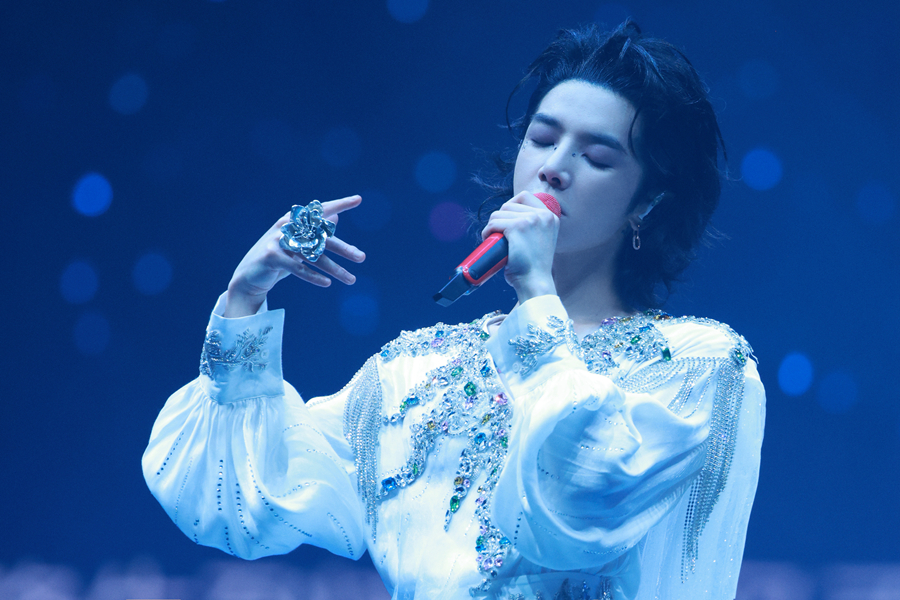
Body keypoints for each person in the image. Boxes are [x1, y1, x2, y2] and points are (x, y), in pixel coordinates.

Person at [143, 20, 765, 600]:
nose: (553, 168)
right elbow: (245, 501)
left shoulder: (696, 364)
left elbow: (578, 502)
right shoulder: (415, 371)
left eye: (596, 158)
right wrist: (244, 300)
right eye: (542, 139)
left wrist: (537, 297)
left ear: (648, 202)